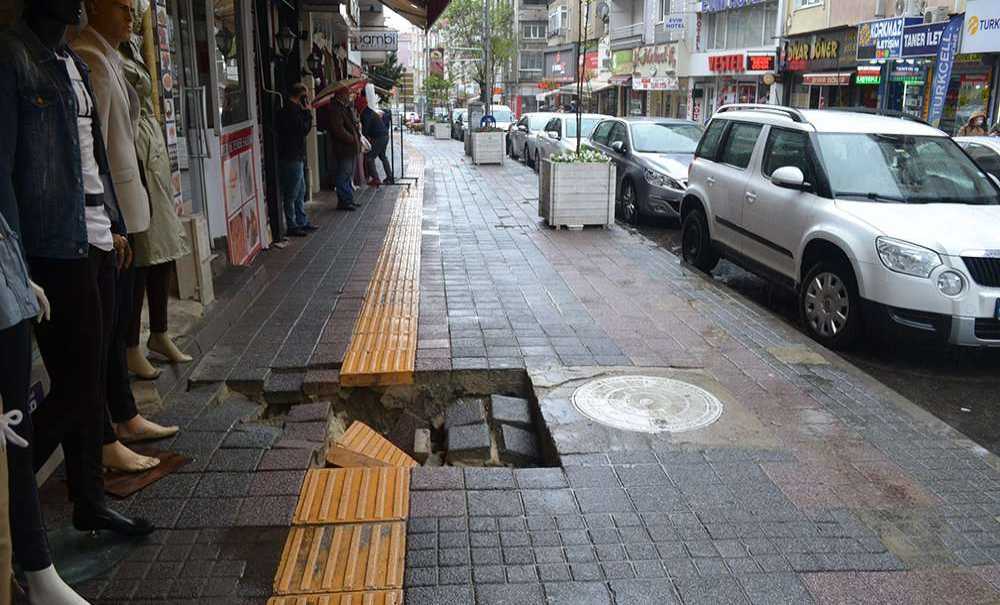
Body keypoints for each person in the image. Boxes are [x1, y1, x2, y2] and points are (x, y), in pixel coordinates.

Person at [0, 0, 154, 555]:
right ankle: (12, 486)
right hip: (51, 248)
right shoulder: (14, 59)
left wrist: (111, 223)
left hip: (93, 237)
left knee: (93, 374)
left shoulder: (76, 63)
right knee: (81, 382)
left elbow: (92, 158)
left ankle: (89, 500)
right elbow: (6, 172)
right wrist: (14, 260)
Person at [74, 0, 172, 475]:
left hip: (125, 204)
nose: (131, 16)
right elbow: (95, 149)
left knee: (120, 313)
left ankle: (126, 414)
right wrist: (109, 219)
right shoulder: (88, 58)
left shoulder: (112, 55)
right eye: (122, 7)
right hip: (107, 213)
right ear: (93, 7)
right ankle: (112, 428)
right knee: (108, 326)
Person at [120, 4, 193, 384]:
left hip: (149, 151)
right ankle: (132, 344)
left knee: (162, 249)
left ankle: (159, 332)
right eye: (125, 8)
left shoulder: (129, 45)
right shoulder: (100, 52)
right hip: (132, 154)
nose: (131, 14)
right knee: (141, 255)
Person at [277, 82, 316, 236]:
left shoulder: (292, 109)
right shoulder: (291, 111)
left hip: (295, 155)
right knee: (292, 193)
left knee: (300, 190)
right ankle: (292, 224)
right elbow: (303, 129)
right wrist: (308, 113)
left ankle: (301, 220)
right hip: (291, 156)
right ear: (301, 95)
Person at [325, 81, 362, 211]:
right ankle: (345, 201)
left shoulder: (344, 107)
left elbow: (349, 124)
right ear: (341, 95)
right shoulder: (335, 108)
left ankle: (347, 200)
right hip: (344, 148)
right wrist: (352, 138)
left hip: (349, 147)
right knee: (343, 175)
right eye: (347, 93)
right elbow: (338, 129)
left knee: (348, 174)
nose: (349, 95)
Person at [361, 94, 394, 187]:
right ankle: (390, 177)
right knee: (383, 156)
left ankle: (376, 179)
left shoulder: (366, 113)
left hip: (379, 137)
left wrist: (362, 135)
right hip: (384, 135)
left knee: (369, 158)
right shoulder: (370, 111)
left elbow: (365, 129)